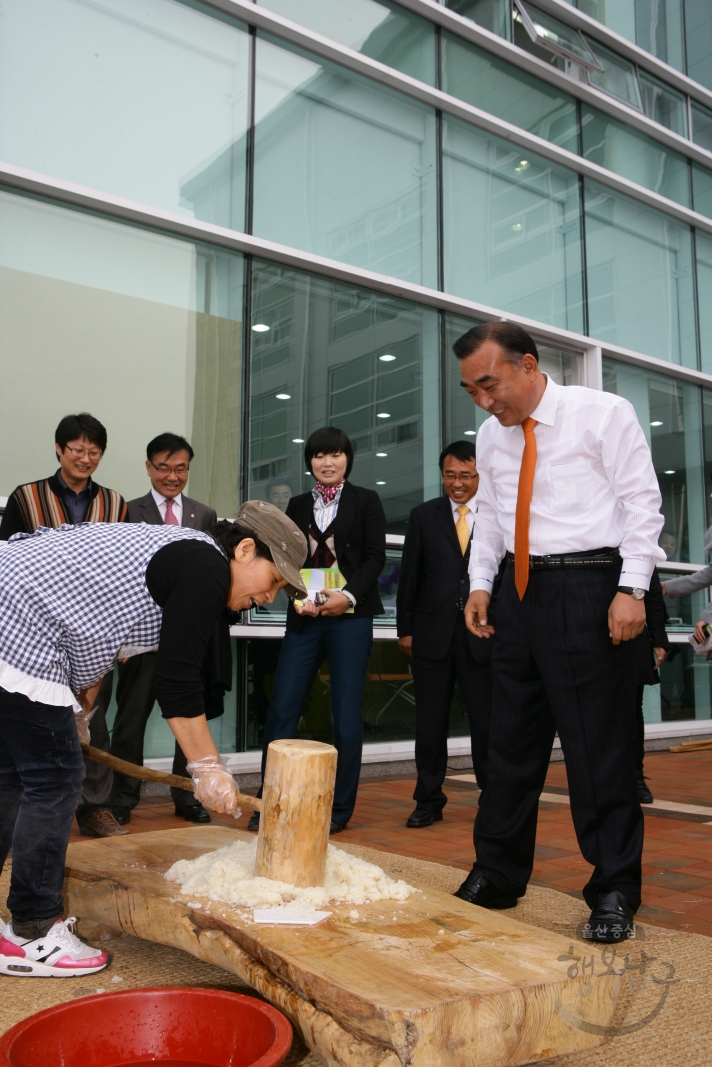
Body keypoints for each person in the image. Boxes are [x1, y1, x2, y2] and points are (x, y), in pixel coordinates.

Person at [0, 502, 307, 977]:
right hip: (18, 620)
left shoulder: (186, 559)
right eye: (274, 580)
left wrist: (81, 708)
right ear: (245, 549)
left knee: (12, 779)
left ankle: (24, 929)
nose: (269, 597)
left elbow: (100, 632)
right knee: (56, 779)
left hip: (18, 614)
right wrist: (207, 768)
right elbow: (178, 682)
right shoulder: (205, 566)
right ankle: (33, 933)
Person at [453, 322, 664, 944]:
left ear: (528, 363)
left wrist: (632, 590)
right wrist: (479, 582)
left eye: (490, 384)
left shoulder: (602, 413)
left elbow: (641, 505)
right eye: (471, 391)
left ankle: (615, 889)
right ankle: (496, 872)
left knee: (599, 750)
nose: (485, 402)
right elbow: (489, 515)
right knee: (509, 745)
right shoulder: (492, 438)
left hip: (591, 588)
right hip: (518, 593)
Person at [249, 426, 386, 835]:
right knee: (282, 709)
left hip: (350, 620)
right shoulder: (294, 504)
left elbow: (376, 559)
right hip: (305, 618)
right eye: (319, 456)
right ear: (309, 462)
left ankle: (339, 809)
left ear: (348, 459)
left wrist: (350, 597)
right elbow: (283, 558)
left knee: (345, 715)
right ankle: (267, 802)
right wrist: (295, 596)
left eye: (336, 455)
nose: (327, 463)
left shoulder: (367, 500)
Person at [0, 413, 127, 840]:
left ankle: (94, 808)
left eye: (93, 451)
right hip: (34, 629)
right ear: (59, 449)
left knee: (94, 717)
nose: (85, 457)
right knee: (30, 721)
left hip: (90, 629)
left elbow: (120, 570)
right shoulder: (26, 497)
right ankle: (24, 810)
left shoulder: (115, 503)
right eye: (77, 449)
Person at [109, 432, 229, 827]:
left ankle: (187, 794)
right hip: (141, 636)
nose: (172, 476)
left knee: (188, 709)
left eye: (180, 468)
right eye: (164, 467)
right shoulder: (128, 510)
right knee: (131, 719)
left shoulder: (204, 514)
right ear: (149, 468)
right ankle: (123, 795)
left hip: (187, 634)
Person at [396, 441, 492, 828]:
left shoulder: (497, 514)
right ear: (442, 475)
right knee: (430, 724)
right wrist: (406, 629)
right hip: (431, 635)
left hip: (482, 634)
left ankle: (493, 797)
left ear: (479, 476)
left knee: (486, 723)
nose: (457, 483)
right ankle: (428, 800)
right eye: (450, 475)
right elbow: (410, 577)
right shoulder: (424, 516)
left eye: (466, 476)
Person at [636, 571, 669, 804]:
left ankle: (635, 777)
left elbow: (653, 592)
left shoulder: (635, 541)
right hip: (584, 632)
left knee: (631, 711)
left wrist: (658, 637)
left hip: (630, 636)